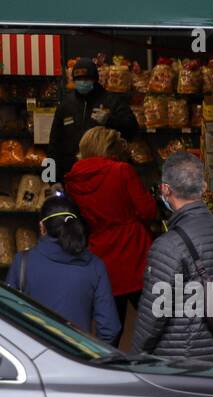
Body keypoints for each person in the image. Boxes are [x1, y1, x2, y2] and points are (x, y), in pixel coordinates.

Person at [134, 152, 213, 365]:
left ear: (165, 189)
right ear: (203, 187)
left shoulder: (168, 245)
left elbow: (153, 316)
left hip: (179, 366)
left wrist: (134, 358)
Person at [63, 127, 155, 339]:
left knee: (111, 328)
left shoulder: (74, 179)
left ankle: (105, 368)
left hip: (101, 253)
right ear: (110, 148)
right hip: (135, 253)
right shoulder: (122, 171)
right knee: (154, 323)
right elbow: (146, 210)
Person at [3, 194, 119, 343]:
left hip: (34, 359)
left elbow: (7, 319)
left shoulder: (22, 261)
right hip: (76, 359)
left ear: (42, 227)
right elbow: (110, 328)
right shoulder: (95, 265)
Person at [50, 57, 140, 184]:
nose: (82, 82)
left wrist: (110, 120)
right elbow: (54, 144)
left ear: (95, 80)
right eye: (79, 80)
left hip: (105, 176)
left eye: (86, 79)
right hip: (72, 175)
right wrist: (52, 180)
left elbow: (132, 129)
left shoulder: (112, 101)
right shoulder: (66, 105)